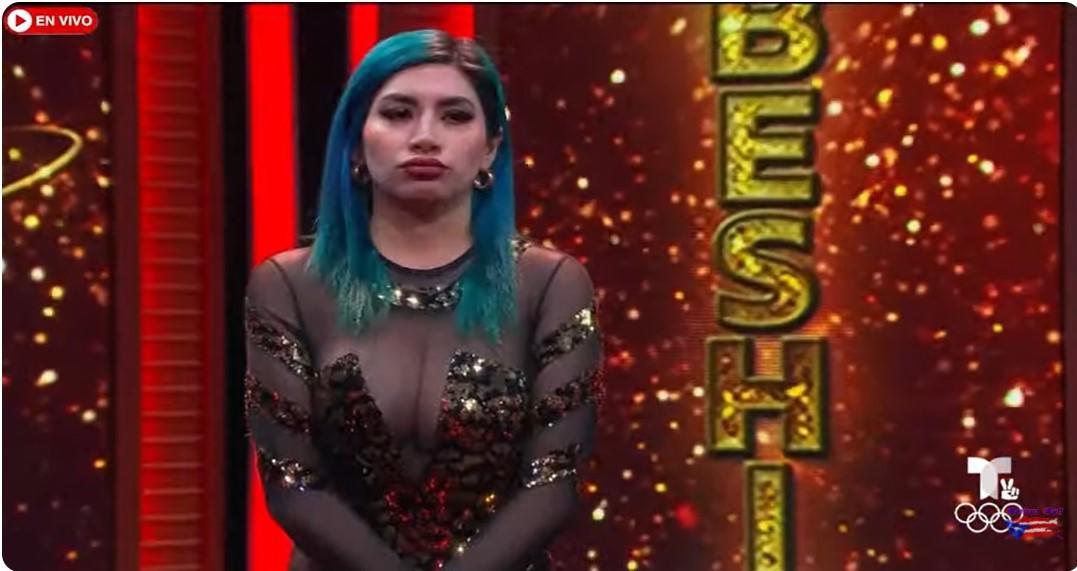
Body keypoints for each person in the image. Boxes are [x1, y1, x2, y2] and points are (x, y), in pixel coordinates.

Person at [243, 29, 604, 571]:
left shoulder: (551, 284)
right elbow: (294, 486)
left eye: (455, 116)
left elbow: (553, 484)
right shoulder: (287, 286)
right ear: (355, 143)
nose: (425, 137)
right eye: (398, 113)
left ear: (490, 148)